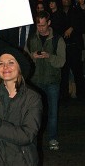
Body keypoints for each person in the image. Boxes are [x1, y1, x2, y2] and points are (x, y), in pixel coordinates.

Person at [26, 11, 66, 150]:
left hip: (52, 82)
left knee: (52, 113)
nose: (41, 28)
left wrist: (49, 56)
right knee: (34, 113)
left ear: (49, 23)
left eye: (43, 25)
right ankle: (34, 140)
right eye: (38, 25)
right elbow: (24, 60)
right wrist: (32, 56)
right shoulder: (31, 38)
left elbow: (61, 62)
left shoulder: (57, 39)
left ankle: (52, 138)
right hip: (35, 81)